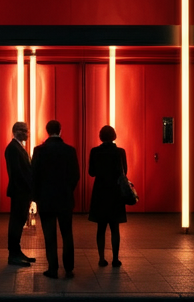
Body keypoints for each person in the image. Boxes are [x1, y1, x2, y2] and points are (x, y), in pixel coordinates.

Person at [31, 119, 79, 278]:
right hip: (65, 198)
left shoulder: (39, 151)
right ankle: (69, 268)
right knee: (67, 234)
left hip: (46, 199)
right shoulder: (70, 150)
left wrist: (36, 197)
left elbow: (34, 176)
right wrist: (67, 189)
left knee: (49, 235)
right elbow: (75, 176)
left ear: (47, 131)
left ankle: (53, 268)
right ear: (60, 130)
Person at [88, 124, 128, 267]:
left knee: (101, 227)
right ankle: (115, 258)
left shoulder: (94, 152)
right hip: (115, 192)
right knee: (115, 227)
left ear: (101, 136)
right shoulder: (120, 152)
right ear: (114, 136)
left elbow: (91, 172)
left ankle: (101, 258)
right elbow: (125, 172)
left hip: (100, 192)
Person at [4, 121, 35, 266]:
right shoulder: (13, 148)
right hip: (20, 192)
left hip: (22, 192)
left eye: (27, 130)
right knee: (16, 222)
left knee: (19, 221)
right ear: (15, 131)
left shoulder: (18, 147)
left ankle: (17, 251)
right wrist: (28, 188)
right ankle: (13, 253)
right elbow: (17, 173)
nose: (26, 133)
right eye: (23, 130)